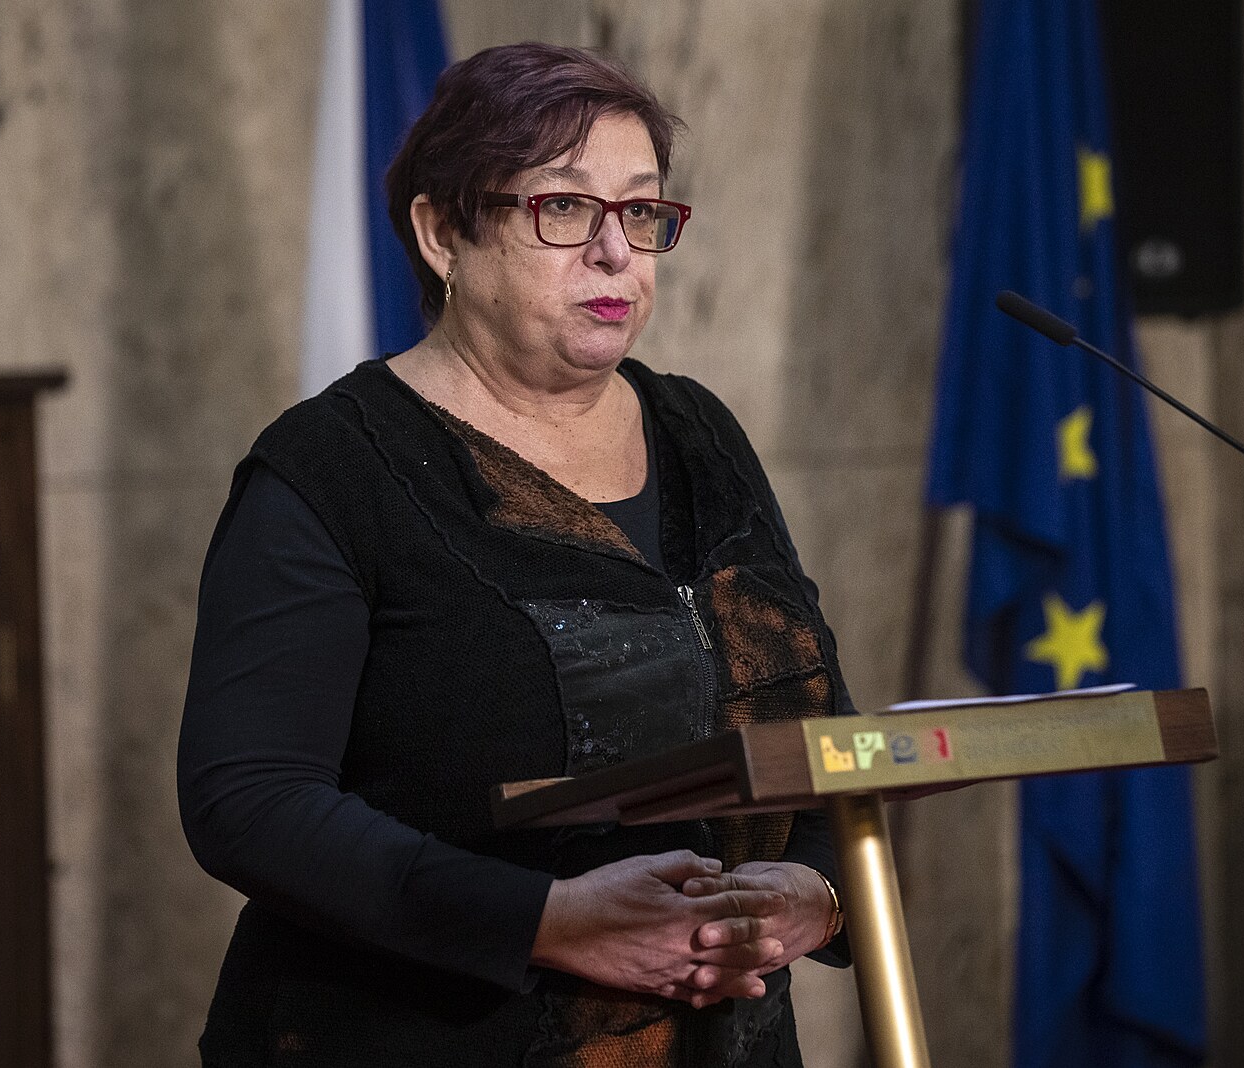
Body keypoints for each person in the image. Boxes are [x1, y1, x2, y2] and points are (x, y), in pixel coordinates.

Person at [178, 42, 853, 1068]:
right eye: (565, 208)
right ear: (443, 232)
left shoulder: (700, 434)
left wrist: (815, 891)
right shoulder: (332, 468)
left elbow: (823, 733)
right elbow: (250, 804)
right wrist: (547, 920)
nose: (616, 253)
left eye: (640, 211)